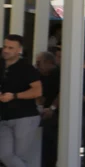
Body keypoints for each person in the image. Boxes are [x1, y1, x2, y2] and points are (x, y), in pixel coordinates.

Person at [0, 34, 41, 167]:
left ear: (19, 50)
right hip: (4, 118)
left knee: (17, 156)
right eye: (5, 46)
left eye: (11, 48)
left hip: (25, 118)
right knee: (5, 155)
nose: (6, 50)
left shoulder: (27, 68)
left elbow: (37, 91)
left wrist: (15, 96)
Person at [37, 50, 60, 167]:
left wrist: (52, 108)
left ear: (48, 62)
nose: (37, 66)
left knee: (50, 146)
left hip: (55, 115)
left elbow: (62, 93)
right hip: (41, 113)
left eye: (38, 63)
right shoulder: (39, 75)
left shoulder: (58, 74)